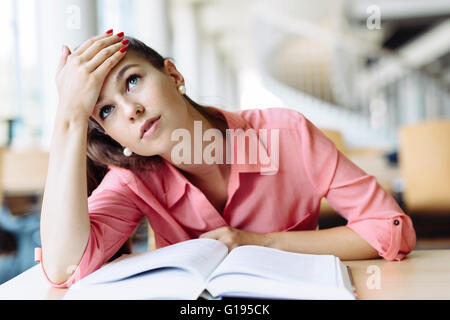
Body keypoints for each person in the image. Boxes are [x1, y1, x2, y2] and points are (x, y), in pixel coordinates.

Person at [39, 30, 416, 287]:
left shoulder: (286, 136)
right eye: (106, 112)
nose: (131, 110)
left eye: (132, 80)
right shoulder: (133, 178)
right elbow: (63, 267)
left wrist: (260, 242)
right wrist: (69, 118)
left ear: (173, 74)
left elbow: (389, 227)